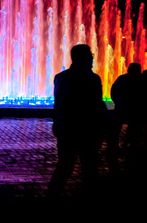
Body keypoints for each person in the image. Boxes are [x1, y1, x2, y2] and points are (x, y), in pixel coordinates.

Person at [48, 44, 107, 199]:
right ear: (81, 58)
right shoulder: (92, 79)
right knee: (87, 166)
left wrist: (58, 123)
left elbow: (59, 104)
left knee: (66, 166)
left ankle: (52, 195)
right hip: (85, 129)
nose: (92, 58)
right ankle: (85, 196)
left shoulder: (61, 77)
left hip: (70, 128)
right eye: (90, 55)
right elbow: (96, 104)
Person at [110, 62, 143, 172]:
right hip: (127, 108)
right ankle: (125, 144)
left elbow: (114, 91)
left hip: (128, 108)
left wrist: (118, 103)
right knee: (127, 126)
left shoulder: (125, 79)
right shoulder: (135, 80)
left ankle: (124, 144)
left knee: (127, 126)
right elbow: (114, 91)